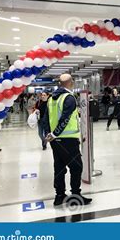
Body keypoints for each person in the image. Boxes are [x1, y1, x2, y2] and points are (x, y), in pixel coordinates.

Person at [43, 74, 92, 207]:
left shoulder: (52, 98)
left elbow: (45, 118)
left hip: (55, 141)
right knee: (76, 167)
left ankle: (59, 196)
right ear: (71, 82)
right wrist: (55, 133)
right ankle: (75, 195)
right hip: (68, 139)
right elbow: (65, 118)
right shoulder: (68, 98)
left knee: (59, 167)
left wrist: (49, 134)